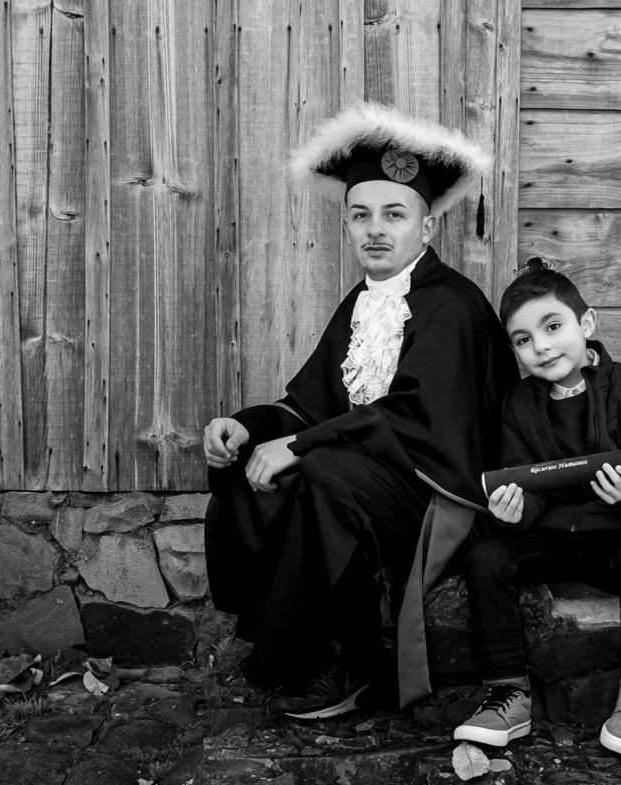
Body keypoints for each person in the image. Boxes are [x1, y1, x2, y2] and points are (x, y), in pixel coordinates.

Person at [203, 102, 520, 720]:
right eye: (360, 215)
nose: (376, 229)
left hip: (442, 491)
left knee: (322, 473)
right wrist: (249, 426)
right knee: (262, 464)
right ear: (347, 225)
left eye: (394, 214)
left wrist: (300, 446)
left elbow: (416, 418)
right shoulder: (360, 303)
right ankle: (293, 645)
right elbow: (310, 405)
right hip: (372, 476)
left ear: (426, 228)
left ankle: (354, 663)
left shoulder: (453, 304)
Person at [453, 266, 621, 757]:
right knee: (486, 557)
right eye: (523, 340)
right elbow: (526, 484)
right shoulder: (517, 404)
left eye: (553, 326)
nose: (541, 346)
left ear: (587, 323)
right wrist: (514, 511)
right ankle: (507, 694)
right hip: (555, 531)